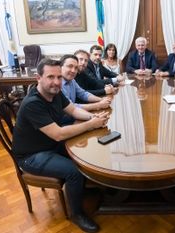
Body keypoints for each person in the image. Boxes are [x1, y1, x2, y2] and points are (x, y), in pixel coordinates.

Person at [12, 58, 109, 232]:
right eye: (50, 77)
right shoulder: (32, 103)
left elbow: (72, 110)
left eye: (59, 77)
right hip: (31, 156)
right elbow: (58, 134)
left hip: (47, 144)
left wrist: (93, 118)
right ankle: (76, 214)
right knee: (73, 172)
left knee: (86, 151)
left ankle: (86, 190)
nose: (56, 82)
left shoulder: (55, 93)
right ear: (38, 78)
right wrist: (90, 125)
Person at [60, 54, 111, 125]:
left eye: (76, 68)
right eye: (70, 66)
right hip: (62, 123)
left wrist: (101, 100)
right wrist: (98, 105)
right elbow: (72, 107)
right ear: (60, 67)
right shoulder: (57, 85)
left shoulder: (72, 80)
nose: (73, 70)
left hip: (74, 117)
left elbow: (83, 94)